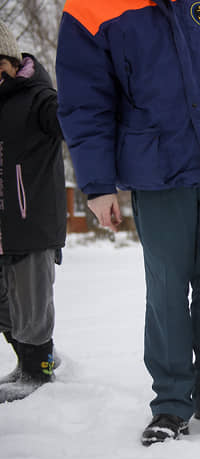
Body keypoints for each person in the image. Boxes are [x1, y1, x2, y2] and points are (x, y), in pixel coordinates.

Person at [56, 0, 200, 445]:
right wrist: (98, 185)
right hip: (157, 167)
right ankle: (172, 405)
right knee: (167, 290)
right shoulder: (91, 8)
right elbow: (85, 103)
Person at [0, 22, 66, 404]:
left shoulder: (40, 98)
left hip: (32, 219)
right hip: (4, 223)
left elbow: (69, 122)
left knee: (32, 299)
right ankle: (29, 360)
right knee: (7, 302)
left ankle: (36, 370)